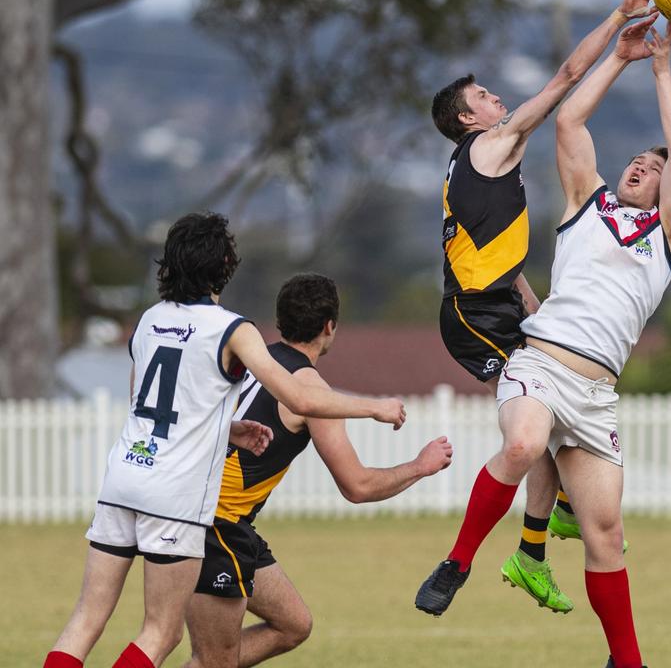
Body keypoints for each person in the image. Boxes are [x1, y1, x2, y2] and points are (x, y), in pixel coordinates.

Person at [417, 16, 671, 668]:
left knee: (607, 537)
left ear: (665, 192)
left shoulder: (668, 237)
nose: (640, 166)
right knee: (522, 443)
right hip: (539, 363)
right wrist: (620, 59)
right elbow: (569, 122)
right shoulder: (586, 203)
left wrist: (660, 68)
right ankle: (457, 562)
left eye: (650, 167)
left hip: (597, 396)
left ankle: (627, 661)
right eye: (635, 158)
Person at [44, 213, 405, 668]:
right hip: (173, 495)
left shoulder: (150, 319)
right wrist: (374, 407)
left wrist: (226, 428)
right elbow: (297, 395)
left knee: (85, 619)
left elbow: (147, 403)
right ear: (226, 265)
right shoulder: (233, 329)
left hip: (123, 476)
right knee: (160, 633)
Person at [183, 274, 453, 668]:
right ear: (330, 326)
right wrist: (420, 466)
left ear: (280, 321)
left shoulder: (250, 360)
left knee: (293, 623)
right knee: (214, 662)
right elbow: (357, 486)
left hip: (212, 515)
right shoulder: (311, 390)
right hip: (213, 523)